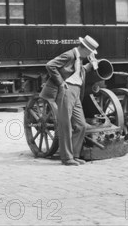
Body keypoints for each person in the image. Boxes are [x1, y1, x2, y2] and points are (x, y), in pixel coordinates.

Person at [40, 35, 99, 166]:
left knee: (81, 125)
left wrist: (90, 65)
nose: (91, 54)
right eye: (90, 52)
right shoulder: (70, 55)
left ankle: (75, 155)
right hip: (67, 90)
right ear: (85, 49)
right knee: (65, 125)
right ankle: (67, 158)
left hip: (76, 92)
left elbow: (76, 72)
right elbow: (50, 65)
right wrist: (60, 83)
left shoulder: (80, 58)